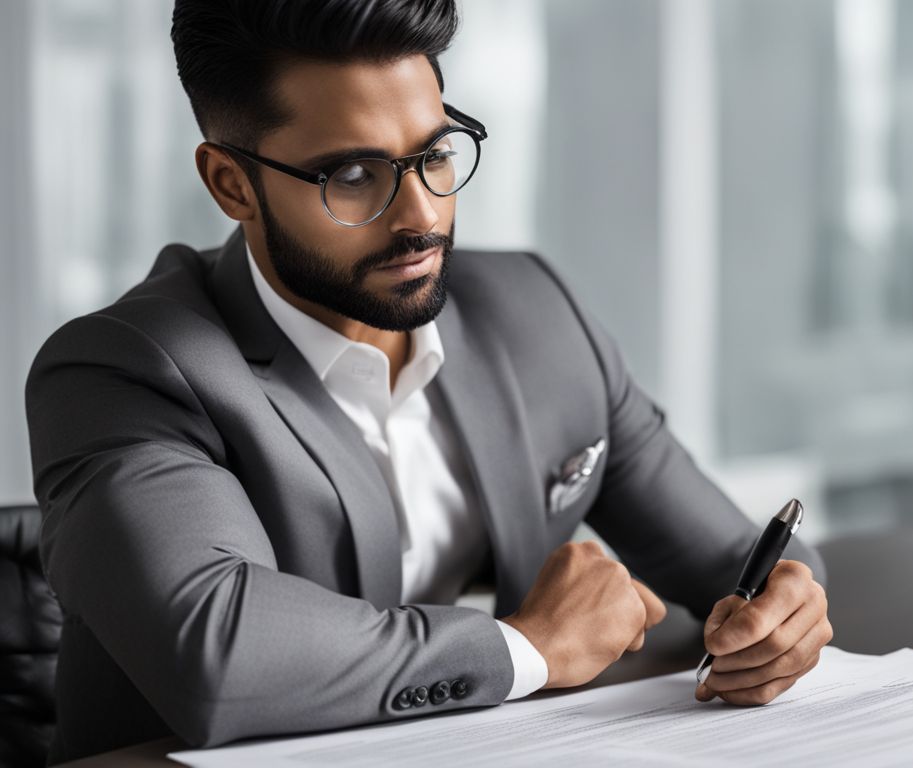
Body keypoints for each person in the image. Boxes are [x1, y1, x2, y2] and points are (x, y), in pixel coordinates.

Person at [25, 1, 831, 763]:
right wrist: (529, 647)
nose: (420, 215)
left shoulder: (536, 312)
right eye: (351, 175)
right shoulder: (123, 369)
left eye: (436, 153)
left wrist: (789, 610)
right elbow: (220, 654)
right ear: (232, 184)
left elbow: (737, 557)